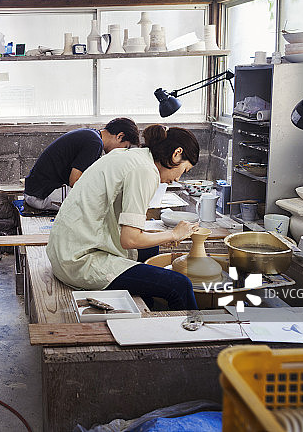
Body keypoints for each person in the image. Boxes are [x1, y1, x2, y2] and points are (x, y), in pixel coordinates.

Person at [46, 124, 202, 310]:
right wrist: (173, 235)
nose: (177, 179)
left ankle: (147, 309)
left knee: (150, 250)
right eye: (184, 171)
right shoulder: (146, 171)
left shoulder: (129, 156)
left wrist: (159, 236)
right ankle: (192, 335)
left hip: (63, 249)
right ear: (177, 153)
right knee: (180, 285)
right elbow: (129, 239)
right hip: (78, 261)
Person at [24, 118, 139, 211]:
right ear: (120, 136)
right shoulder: (94, 143)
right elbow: (74, 181)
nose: (122, 152)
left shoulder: (91, 135)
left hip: (37, 190)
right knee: (101, 203)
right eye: (125, 147)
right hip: (41, 196)